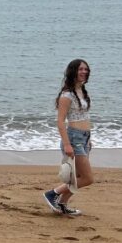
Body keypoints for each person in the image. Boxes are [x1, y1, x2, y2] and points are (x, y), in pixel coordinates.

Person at [43, 59, 94, 216]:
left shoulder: (82, 91)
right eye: (80, 69)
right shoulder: (67, 95)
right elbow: (60, 122)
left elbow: (83, 116)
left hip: (84, 138)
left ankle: (62, 204)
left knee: (77, 177)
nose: (84, 72)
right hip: (74, 138)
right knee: (87, 178)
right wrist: (67, 144)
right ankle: (53, 194)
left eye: (86, 69)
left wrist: (88, 139)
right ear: (73, 71)